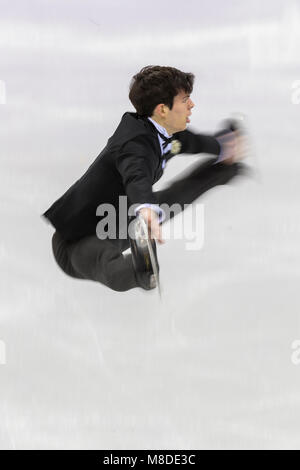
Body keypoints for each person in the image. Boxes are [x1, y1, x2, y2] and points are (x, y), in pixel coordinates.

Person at [42, 65, 247, 292]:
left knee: (176, 197)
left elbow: (190, 142)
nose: (191, 105)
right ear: (162, 109)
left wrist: (223, 146)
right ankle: (142, 270)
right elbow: (136, 174)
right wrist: (146, 208)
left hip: (120, 218)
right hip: (76, 242)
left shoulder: (165, 131)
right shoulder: (134, 145)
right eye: (185, 100)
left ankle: (226, 170)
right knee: (109, 266)